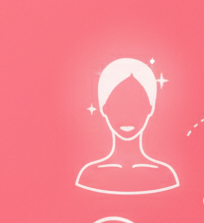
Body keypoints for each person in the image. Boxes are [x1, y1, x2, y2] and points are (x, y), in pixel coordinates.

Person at [76, 58, 179, 195]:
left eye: (136, 104)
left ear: (150, 108)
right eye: (118, 104)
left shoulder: (164, 175)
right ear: (104, 108)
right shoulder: (89, 175)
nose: (127, 116)